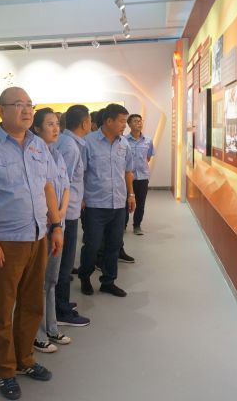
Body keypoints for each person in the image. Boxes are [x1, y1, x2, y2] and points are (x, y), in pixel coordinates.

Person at [0, 86, 64, 400]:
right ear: (2, 110)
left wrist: (56, 225)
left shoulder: (38, 145)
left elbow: (48, 186)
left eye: (29, 104)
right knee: (2, 310)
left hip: (38, 237)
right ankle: (6, 371)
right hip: (6, 242)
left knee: (32, 304)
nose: (27, 110)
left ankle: (25, 359)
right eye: (19, 104)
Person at [78, 103, 135, 298]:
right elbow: (80, 173)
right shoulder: (88, 143)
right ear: (109, 121)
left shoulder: (124, 143)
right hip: (95, 204)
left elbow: (128, 171)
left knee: (114, 245)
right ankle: (85, 276)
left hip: (118, 204)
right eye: (121, 121)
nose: (125, 125)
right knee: (92, 245)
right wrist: (81, 198)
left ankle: (108, 281)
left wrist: (131, 194)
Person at [30, 108, 71, 354]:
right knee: (38, 283)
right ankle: (37, 333)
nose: (56, 128)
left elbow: (66, 186)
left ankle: (52, 327)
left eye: (57, 123)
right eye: (49, 124)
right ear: (36, 128)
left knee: (51, 280)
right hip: (42, 227)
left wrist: (60, 213)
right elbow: (40, 190)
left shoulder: (57, 154)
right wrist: (54, 217)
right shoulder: (33, 153)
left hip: (57, 225)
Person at [54, 104, 92, 327]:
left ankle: (61, 303)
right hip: (65, 214)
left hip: (67, 211)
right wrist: (59, 218)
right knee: (64, 264)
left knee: (63, 263)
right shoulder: (70, 147)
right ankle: (61, 310)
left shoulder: (67, 142)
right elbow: (62, 184)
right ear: (85, 123)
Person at [125, 114, 155, 235]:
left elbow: (148, 157)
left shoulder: (148, 140)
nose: (139, 123)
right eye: (135, 121)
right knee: (125, 203)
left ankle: (137, 226)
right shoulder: (124, 140)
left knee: (140, 203)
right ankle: (122, 225)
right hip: (127, 177)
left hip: (142, 177)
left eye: (140, 121)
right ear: (129, 124)